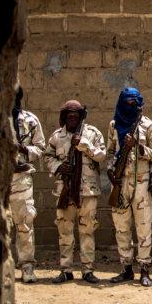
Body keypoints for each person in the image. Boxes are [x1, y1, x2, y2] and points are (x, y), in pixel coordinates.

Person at [44, 100, 105, 284]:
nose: (72, 119)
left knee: (87, 231)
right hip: (65, 190)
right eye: (69, 116)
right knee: (64, 231)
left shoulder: (92, 134)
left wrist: (84, 145)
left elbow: (102, 156)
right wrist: (58, 167)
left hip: (87, 192)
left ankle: (87, 270)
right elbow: (47, 156)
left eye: (75, 116)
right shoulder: (57, 136)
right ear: (64, 117)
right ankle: (66, 269)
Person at [106, 87, 152, 286]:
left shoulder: (148, 125)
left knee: (144, 227)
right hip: (121, 183)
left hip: (142, 183)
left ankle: (144, 269)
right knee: (121, 227)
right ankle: (126, 268)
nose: (131, 105)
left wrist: (139, 147)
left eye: (134, 102)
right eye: (127, 102)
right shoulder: (114, 125)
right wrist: (111, 170)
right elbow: (110, 152)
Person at [9, 87, 45, 284]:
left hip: (21, 178)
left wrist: (23, 149)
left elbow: (41, 147)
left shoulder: (30, 120)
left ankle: (27, 265)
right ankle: (2, 266)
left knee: (24, 223)